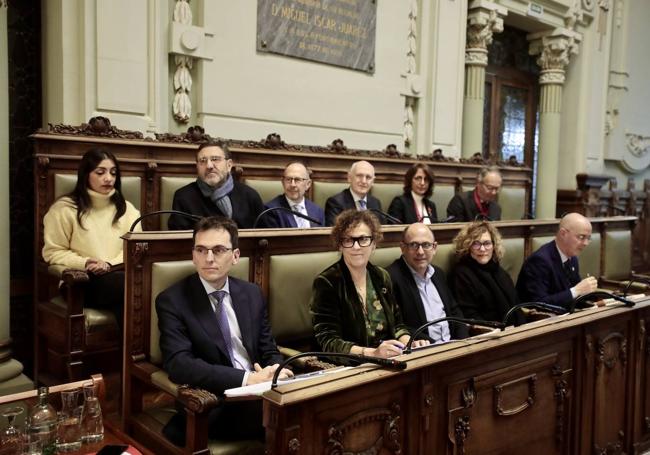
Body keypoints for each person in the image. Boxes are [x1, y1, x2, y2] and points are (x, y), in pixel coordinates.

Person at [156, 216, 292, 443]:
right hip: (215, 400)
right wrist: (246, 379)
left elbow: (267, 347)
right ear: (193, 255)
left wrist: (276, 370)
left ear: (235, 256)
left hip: (262, 391)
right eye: (201, 250)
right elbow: (178, 363)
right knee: (287, 419)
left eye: (218, 250)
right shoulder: (172, 300)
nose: (208, 258)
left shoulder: (251, 293)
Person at [310, 210, 429, 360]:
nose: (356, 247)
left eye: (363, 239)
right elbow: (329, 343)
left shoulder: (381, 276)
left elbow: (397, 326)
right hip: (349, 367)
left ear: (373, 243)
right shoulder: (327, 282)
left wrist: (409, 343)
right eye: (348, 240)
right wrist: (372, 354)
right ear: (340, 245)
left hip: (389, 359)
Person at [42, 148, 141, 326]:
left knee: (130, 294)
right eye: (100, 172)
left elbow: (137, 247)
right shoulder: (64, 209)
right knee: (134, 290)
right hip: (82, 282)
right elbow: (53, 252)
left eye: (113, 173)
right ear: (86, 175)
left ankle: (130, 353)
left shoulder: (128, 210)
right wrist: (87, 262)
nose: (108, 178)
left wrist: (110, 264)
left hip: (120, 275)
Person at [387, 223, 468, 343]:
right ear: (403, 247)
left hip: (453, 347)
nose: (420, 252)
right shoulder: (390, 278)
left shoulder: (438, 274)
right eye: (414, 245)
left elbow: (455, 312)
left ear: (434, 248)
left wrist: (464, 342)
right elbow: (395, 325)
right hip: (424, 351)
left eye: (426, 245)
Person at [168, 141, 264, 230]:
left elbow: (264, 236)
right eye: (203, 161)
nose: (209, 166)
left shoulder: (250, 196)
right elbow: (178, 242)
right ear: (197, 167)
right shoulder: (184, 197)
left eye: (215, 159)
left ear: (229, 165)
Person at [516, 213, 598, 309]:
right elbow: (538, 304)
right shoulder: (540, 260)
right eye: (581, 237)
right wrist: (576, 290)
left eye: (588, 238)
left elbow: (574, 296)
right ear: (563, 234)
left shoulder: (572, 258)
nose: (586, 243)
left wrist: (593, 298)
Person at [449, 221, 524, 325]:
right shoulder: (461, 274)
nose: (482, 249)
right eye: (476, 244)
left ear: (494, 246)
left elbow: (516, 306)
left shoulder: (499, 271)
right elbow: (470, 316)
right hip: (491, 334)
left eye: (487, 243)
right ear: (467, 246)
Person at [262, 162, 325, 228]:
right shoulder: (271, 210)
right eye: (288, 179)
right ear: (283, 182)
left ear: (308, 184)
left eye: (297, 180)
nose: (293, 185)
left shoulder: (318, 211)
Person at [324, 160, 382, 226]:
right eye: (359, 176)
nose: (363, 181)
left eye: (368, 177)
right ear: (349, 178)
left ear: (373, 182)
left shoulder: (375, 203)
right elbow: (335, 233)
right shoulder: (335, 203)